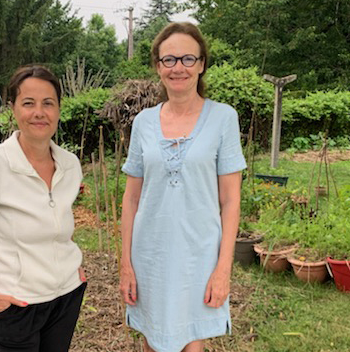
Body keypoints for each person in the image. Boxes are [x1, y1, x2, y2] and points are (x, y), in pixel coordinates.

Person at [119, 22, 246, 352]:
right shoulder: (143, 123)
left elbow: (231, 201)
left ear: (202, 64)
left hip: (199, 255)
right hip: (149, 254)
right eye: (169, 60)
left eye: (188, 59)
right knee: (150, 337)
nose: (178, 68)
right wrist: (126, 264)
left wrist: (223, 268)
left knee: (191, 341)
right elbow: (131, 199)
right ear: (158, 67)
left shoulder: (223, 118)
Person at [0, 65, 86, 352]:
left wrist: (74, 270)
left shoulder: (70, 164)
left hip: (65, 297)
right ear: (13, 109)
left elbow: (58, 222)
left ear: (59, 109)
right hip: (14, 304)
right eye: (28, 103)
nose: (39, 112)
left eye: (48, 103)